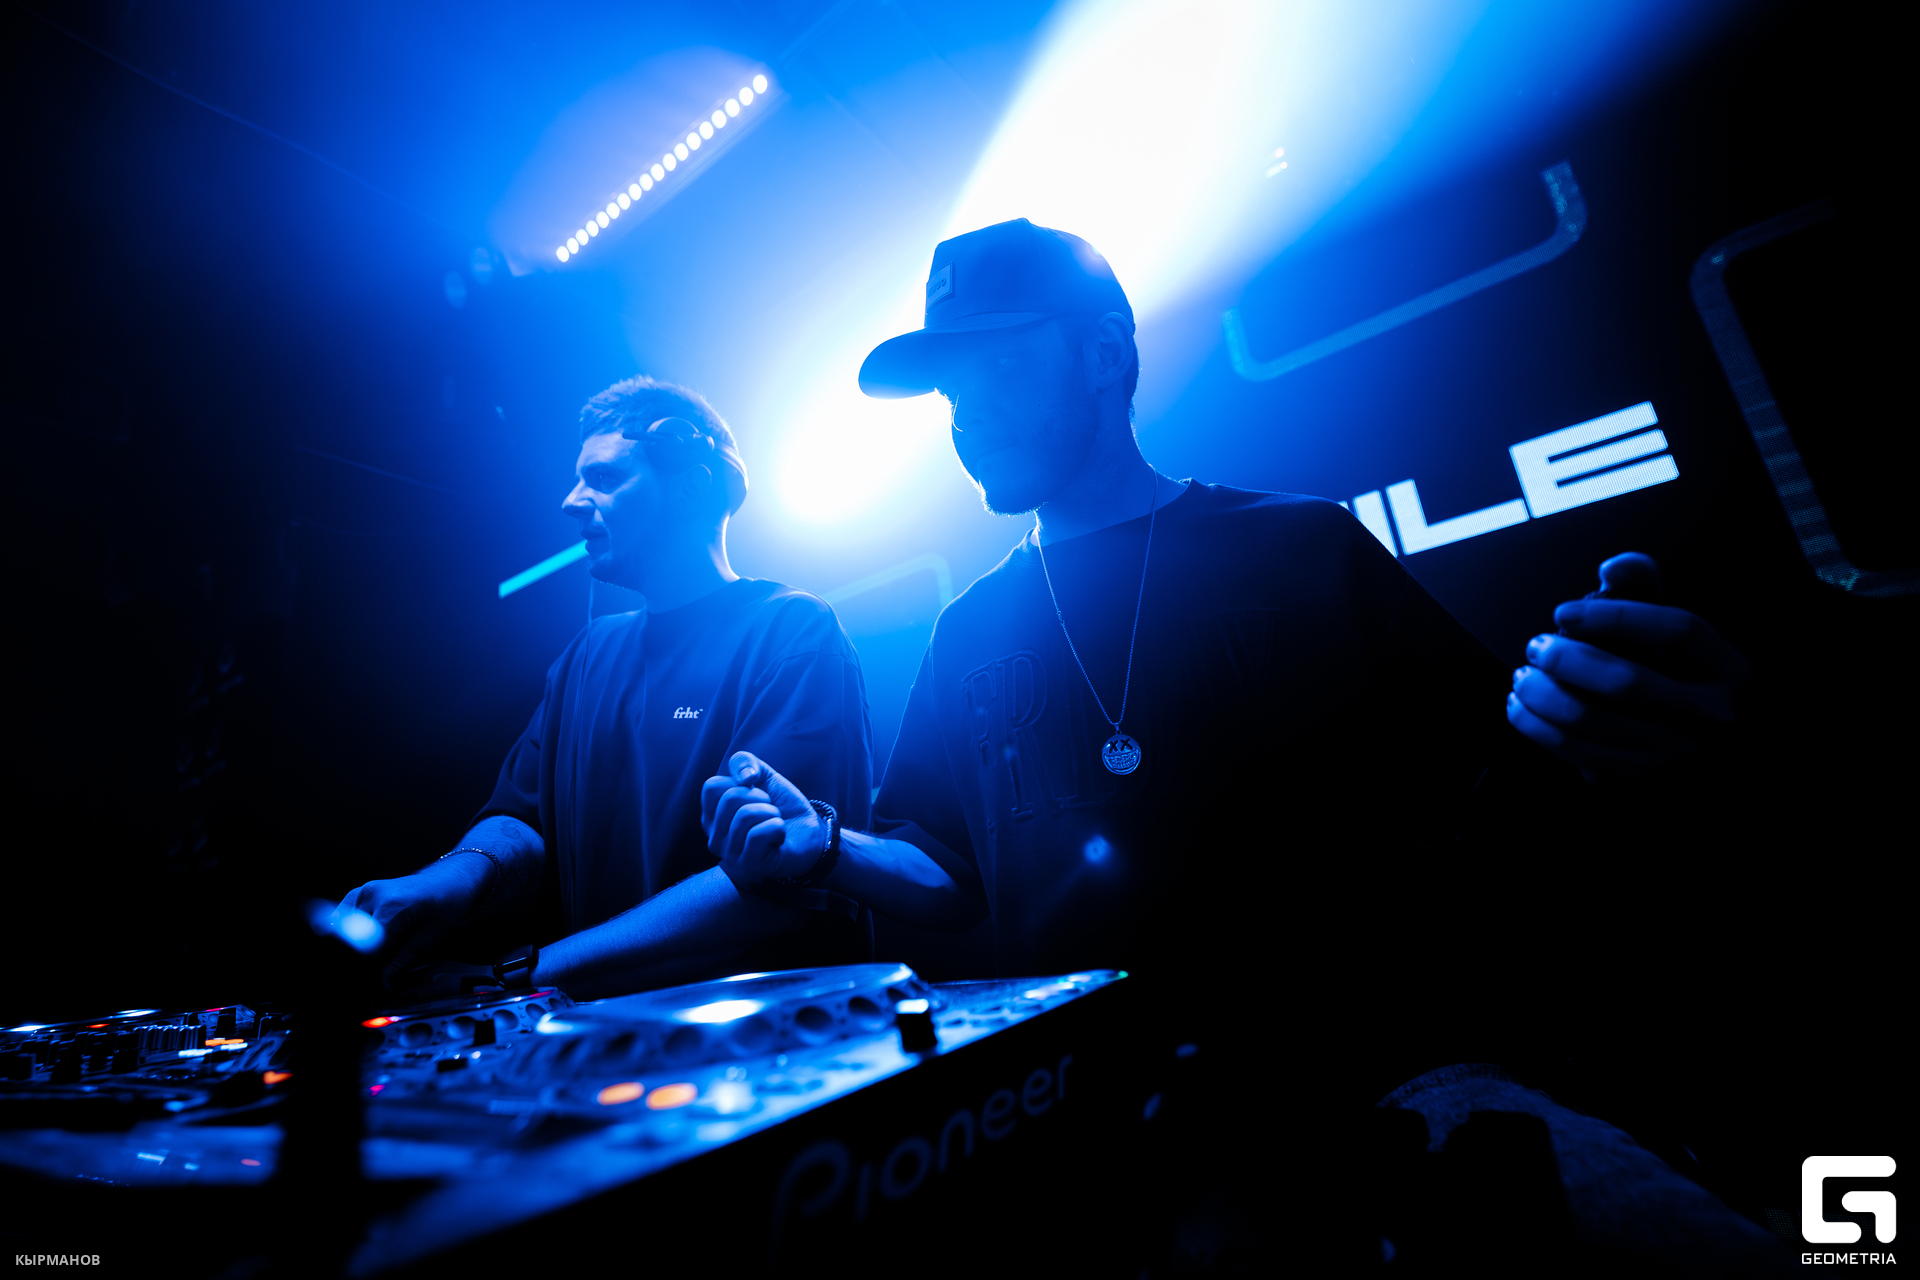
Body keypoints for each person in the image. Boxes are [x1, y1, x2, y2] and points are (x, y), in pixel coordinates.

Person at [698, 220, 1776, 1273]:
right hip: (1105, 1128)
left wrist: (1609, 738)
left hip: (1391, 1090)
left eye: (996, 368)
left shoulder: (1301, 545)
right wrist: (828, 845)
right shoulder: (967, 629)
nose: (964, 416)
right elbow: (946, 869)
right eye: (948, 390)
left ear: (1104, 355)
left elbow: (1502, 791)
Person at [340, 377, 876, 1000]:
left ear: (692, 484)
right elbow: (521, 822)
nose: (571, 502)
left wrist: (519, 978)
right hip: (602, 1043)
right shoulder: (586, 655)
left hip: (769, 1040)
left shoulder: (791, 630)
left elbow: (776, 879)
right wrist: (438, 886)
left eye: (603, 478)